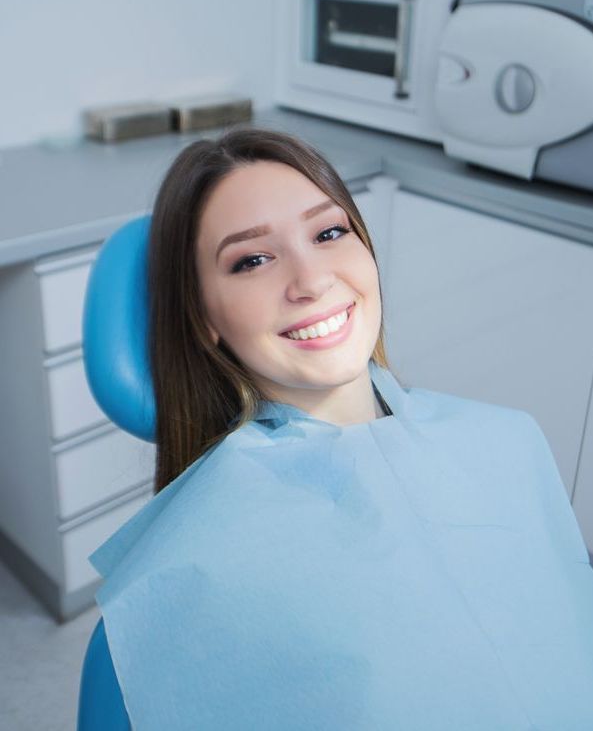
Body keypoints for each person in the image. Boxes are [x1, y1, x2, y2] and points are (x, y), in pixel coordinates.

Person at [90, 128, 593, 731]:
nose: (311, 280)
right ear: (203, 319)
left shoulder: (508, 443)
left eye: (329, 233)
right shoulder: (189, 573)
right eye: (252, 260)